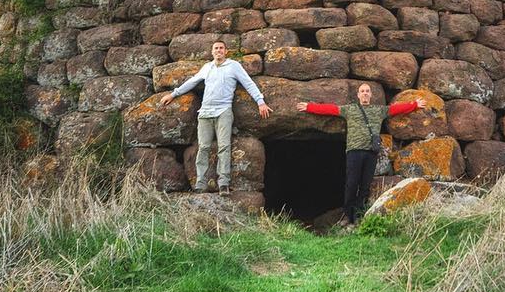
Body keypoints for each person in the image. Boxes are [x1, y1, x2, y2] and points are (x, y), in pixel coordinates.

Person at [296, 84, 427, 226]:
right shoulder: (349, 109)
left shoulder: (379, 111)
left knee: (365, 186)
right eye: (362, 91)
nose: (365, 93)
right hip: (354, 152)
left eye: (367, 91)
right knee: (351, 184)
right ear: (358, 95)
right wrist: (309, 107)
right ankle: (347, 215)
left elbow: (396, 109)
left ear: (370, 95)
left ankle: (358, 215)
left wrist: (414, 105)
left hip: (371, 153)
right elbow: (330, 109)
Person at [159, 41, 271, 194]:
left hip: (223, 111)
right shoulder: (207, 67)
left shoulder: (233, 66)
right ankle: (200, 183)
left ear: (226, 51)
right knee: (203, 147)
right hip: (205, 113)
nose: (219, 50)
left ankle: (223, 183)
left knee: (224, 147)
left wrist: (260, 101)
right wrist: (173, 94)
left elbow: (248, 83)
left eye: (221, 48)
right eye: (216, 48)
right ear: (212, 52)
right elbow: (192, 81)